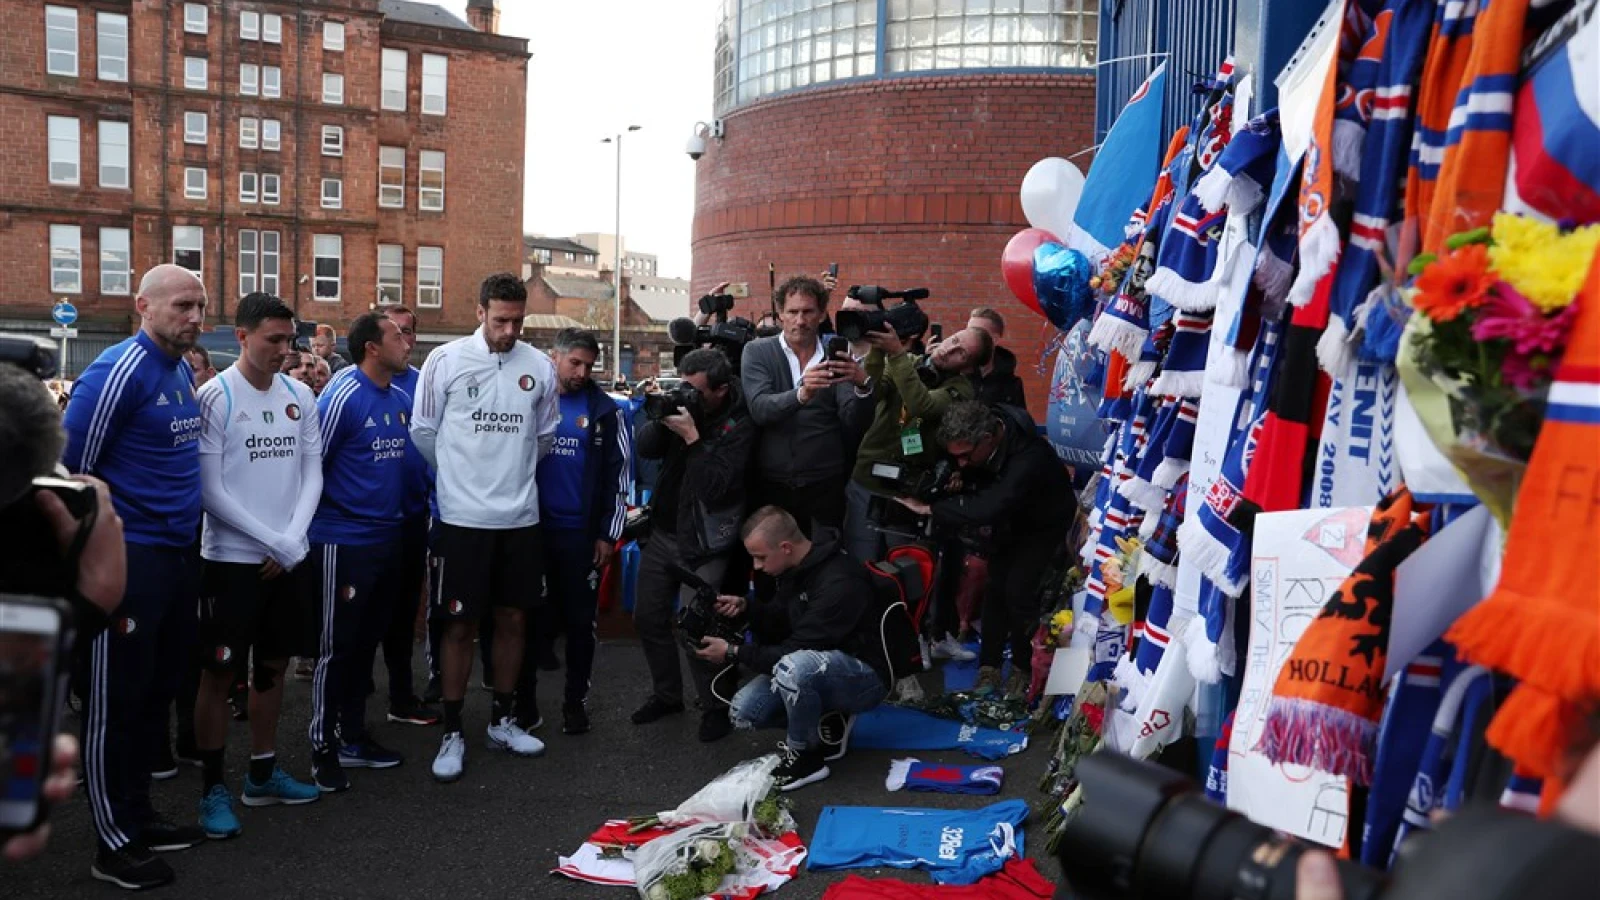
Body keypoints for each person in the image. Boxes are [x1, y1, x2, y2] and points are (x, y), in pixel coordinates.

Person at [62, 264, 209, 890]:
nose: (195, 318)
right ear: (142, 304)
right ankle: (111, 843)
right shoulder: (117, 370)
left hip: (179, 556)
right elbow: (71, 474)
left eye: (200, 307)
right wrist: (95, 565)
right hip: (129, 560)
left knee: (155, 693)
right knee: (114, 703)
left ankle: (138, 815)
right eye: (182, 306)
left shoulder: (178, 369)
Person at [411, 273, 558, 783]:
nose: (510, 330)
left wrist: (509, 479)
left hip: (520, 519)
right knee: (458, 625)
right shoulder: (444, 361)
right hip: (461, 519)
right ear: (479, 313)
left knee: (513, 620)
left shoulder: (540, 367)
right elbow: (424, 432)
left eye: (518, 320)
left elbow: (543, 439)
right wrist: (461, 480)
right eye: (500, 320)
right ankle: (452, 730)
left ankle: (502, 719)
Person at [191, 293, 323, 839]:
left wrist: (291, 541)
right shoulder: (214, 396)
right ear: (242, 337)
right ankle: (211, 789)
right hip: (232, 561)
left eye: (289, 340)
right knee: (220, 672)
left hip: (285, 558)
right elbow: (210, 490)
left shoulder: (300, 395)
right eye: (272, 339)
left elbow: (312, 473)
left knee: (272, 667)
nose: (284, 350)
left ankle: (262, 774)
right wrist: (272, 540)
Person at [694, 506, 889, 791]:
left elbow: (791, 653)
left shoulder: (839, 582)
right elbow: (781, 618)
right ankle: (827, 716)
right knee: (744, 712)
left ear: (785, 547)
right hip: (818, 661)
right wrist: (747, 608)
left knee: (793, 668)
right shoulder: (799, 567)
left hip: (865, 676)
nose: (757, 566)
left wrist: (733, 652)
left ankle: (806, 758)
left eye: (760, 557)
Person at [304, 313, 414, 792]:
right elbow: (312, 467)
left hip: (386, 540)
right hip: (342, 541)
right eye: (398, 335)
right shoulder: (342, 395)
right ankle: (320, 746)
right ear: (372, 346)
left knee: (365, 643)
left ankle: (352, 737)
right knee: (336, 649)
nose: (408, 342)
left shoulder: (401, 397)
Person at [897, 401, 1075, 697]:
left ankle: (1022, 668)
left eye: (965, 456)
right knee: (996, 589)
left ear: (989, 438)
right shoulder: (986, 446)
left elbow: (994, 504)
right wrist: (959, 480)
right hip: (1008, 523)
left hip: (1043, 525)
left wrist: (933, 508)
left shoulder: (1029, 456)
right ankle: (988, 666)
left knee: (1020, 591)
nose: (961, 463)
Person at [630, 348, 756, 742]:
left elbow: (716, 488)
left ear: (720, 390)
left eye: (695, 391)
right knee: (648, 618)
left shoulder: (741, 423)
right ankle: (667, 695)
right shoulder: (684, 408)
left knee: (696, 628)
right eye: (682, 386)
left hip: (705, 542)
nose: (687, 396)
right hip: (664, 531)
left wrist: (693, 438)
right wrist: (662, 415)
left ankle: (715, 704)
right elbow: (645, 449)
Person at [520, 328, 629, 735]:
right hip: (529, 531)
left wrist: (608, 534)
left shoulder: (605, 411)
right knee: (528, 621)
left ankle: (574, 703)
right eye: (574, 363)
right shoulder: (528, 400)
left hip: (580, 537)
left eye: (588, 365)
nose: (582, 372)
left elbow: (620, 479)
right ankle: (523, 705)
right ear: (554, 358)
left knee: (582, 625)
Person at [843, 324, 993, 564]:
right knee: (858, 560)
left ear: (968, 368)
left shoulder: (961, 390)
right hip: (867, 480)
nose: (949, 349)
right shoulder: (911, 362)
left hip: (906, 493)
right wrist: (878, 351)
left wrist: (896, 354)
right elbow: (877, 389)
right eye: (953, 340)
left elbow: (923, 406)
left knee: (900, 567)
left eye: (961, 353)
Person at [741, 275, 873, 535]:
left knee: (824, 561)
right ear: (780, 314)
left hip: (824, 483)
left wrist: (862, 385)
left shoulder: (834, 354)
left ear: (822, 314)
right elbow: (760, 408)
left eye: (808, 312)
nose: (800, 321)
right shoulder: (758, 351)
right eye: (792, 312)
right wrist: (802, 393)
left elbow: (853, 421)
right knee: (774, 563)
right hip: (772, 482)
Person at [965, 308, 1025, 408]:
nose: (969, 337)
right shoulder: (954, 374)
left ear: (995, 339)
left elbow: (1019, 421)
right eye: (968, 332)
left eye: (977, 332)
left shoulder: (1012, 385)